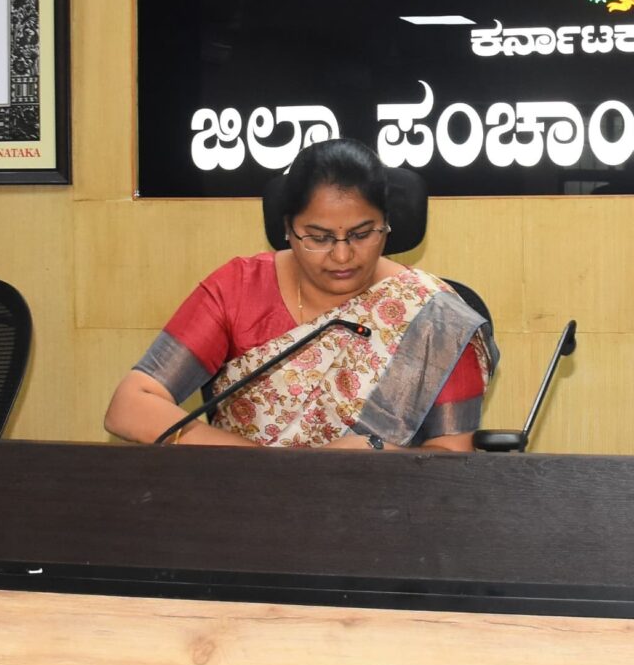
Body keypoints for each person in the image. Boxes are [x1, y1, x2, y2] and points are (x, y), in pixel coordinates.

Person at [105, 139, 494, 449]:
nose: (342, 255)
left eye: (361, 234)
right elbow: (130, 405)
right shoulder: (238, 289)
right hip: (240, 501)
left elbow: (452, 457)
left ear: (387, 224)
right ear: (288, 229)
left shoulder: (435, 317)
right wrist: (271, 469)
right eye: (319, 238)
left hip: (382, 509)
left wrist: (377, 453)